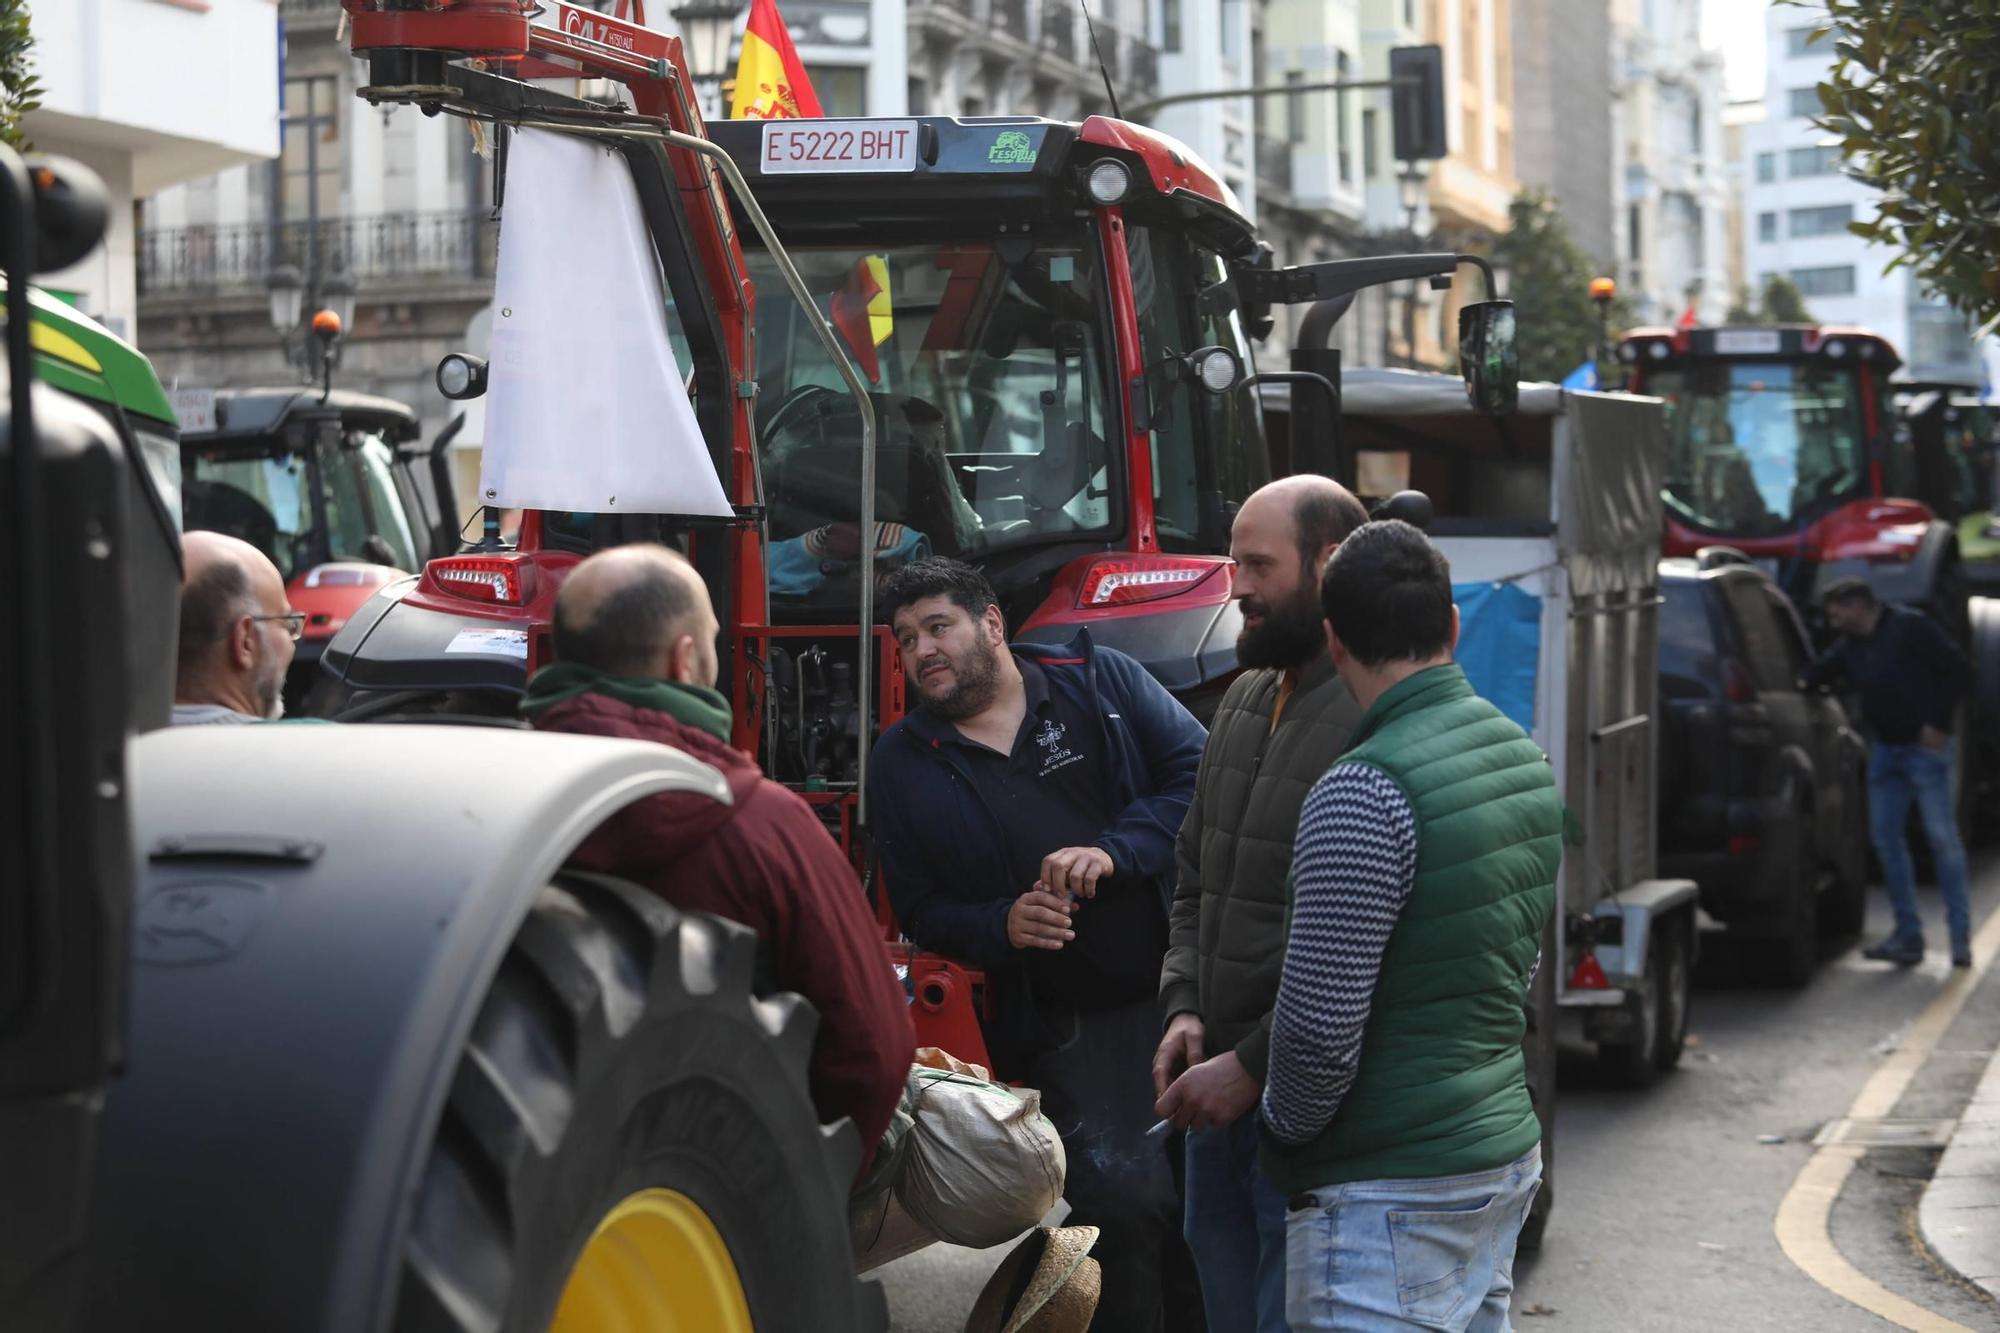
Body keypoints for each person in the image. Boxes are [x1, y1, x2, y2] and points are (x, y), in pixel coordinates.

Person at [867, 556, 1207, 1333]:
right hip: (1068, 1021)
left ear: (991, 625)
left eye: (938, 627)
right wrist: (1001, 925)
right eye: (906, 637)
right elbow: (920, 906)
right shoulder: (901, 762)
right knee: (1121, 1211)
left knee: (1203, 1208)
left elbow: (1200, 774)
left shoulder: (1099, 683)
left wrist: (1117, 848)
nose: (922, 650)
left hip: (1179, 989)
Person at [519, 543, 915, 1171]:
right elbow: (873, 1053)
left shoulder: (490, 798)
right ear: (684, 660)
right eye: (709, 639)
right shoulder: (767, 825)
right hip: (719, 1189)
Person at [1259, 520, 1560, 1332]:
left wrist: (1279, 1128)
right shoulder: (1522, 759)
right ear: (1453, 623)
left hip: (1385, 1187)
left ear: (1334, 640)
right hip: (1496, 1158)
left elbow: (1320, 1034)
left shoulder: (1361, 791)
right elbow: (1507, 970)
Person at [1152, 476, 1369, 1333]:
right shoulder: (1242, 698)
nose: (1233, 583)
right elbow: (1195, 877)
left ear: (1330, 564)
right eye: (1231, 559)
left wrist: (1254, 1063)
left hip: (1303, 1110)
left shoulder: (1367, 714)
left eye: (1256, 564)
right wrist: (1183, 1008)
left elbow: (1361, 948)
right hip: (1214, 1101)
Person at [1808, 577, 1973, 967]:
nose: (1834, 622)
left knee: (1942, 840)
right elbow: (1818, 674)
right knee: (1885, 840)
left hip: (1924, 751)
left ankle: (1960, 937)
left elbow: (1958, 670)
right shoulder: (1851, 647)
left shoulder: (1909, 628)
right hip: (1886, 752)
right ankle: (1907, 935)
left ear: (1858, 606)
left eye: (1837, 613)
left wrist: (1939, 723)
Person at [172, 529, 301, 725]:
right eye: (287, 623)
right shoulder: (319, 748)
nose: (292, 643)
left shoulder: (120, 746)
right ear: (245, 641)